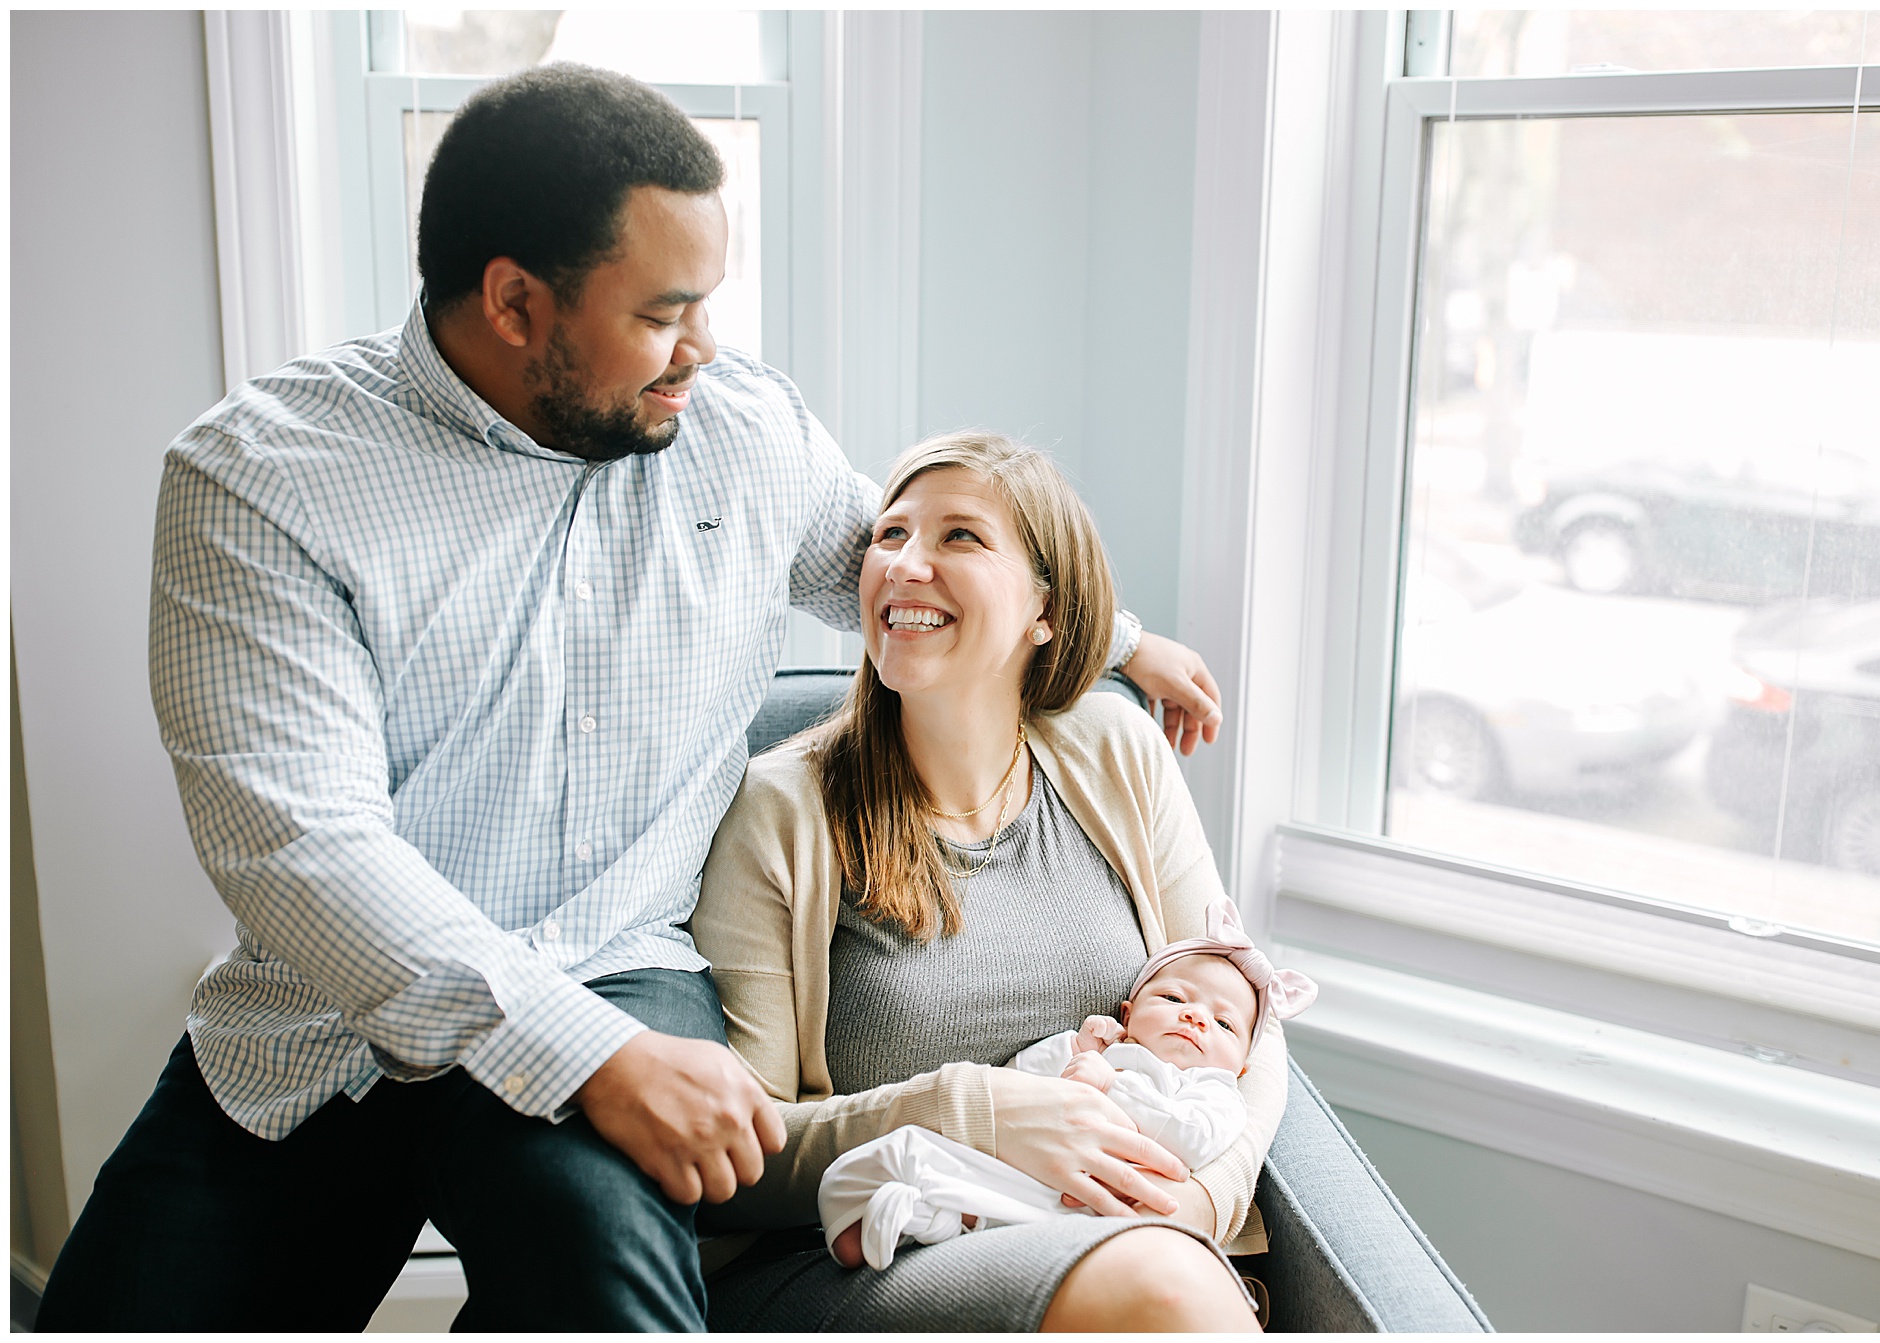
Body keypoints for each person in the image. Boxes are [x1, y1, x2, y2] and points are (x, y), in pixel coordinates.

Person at [34, 65, 1221, 1332]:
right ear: (513, 302)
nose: (703, 347)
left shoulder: (733, 432)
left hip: (617, 969)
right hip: (328, 1020)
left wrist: (1114, 638)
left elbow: (901, 572)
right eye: (665, 312)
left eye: (707, 302)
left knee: (614, 1292)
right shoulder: (259, 478)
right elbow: (304, 851)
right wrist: (584, 1055)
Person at [688, 433, 1281, 1332]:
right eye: (889, 535)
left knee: (1167, 1278)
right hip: (860, 1257)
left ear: (1046, 607)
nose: (904, 564)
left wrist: (1201, 1207)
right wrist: (974, 1113)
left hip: (1129, 1234)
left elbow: (1249, 1009)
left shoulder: (1115, 752)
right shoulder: (781, 809)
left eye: (960, 537)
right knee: (1163, 1293)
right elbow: (743, 1156)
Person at [817, 898, 1318, 1271]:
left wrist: (1112, 1082)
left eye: (1225, 1024)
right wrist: (1076, 1052)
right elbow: (1016, 1083)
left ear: (1242, 1068)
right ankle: (926, 1214)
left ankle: (942, 1220)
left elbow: (1191, 1136)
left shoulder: (1213, 1091)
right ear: (1129, 1012)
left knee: (1016, 1210)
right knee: (880, 1160)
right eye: (1172, 997)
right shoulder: (1098, 1047)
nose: (1195, 1016)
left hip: (1091, 1207)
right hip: (1022, 1167)